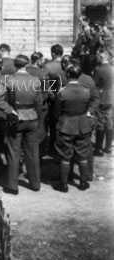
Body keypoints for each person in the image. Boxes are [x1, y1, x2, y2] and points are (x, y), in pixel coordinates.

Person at [4, 54, 42, 194]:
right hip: (32, 117)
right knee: (32, 152)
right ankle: (35, 183)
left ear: (15, 65)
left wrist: (9, 111)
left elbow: (1, 99)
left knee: (13, 152)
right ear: (27, 65)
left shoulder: (10, 79)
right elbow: (39, 102)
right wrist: (37, 116)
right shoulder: (35, 80)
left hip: (16, 117)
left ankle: (12, 185)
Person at [54, 63, 94, 192]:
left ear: (67, 74)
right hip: (83, 125)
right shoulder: (86, 90)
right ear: (79, 75)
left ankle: (63, 185)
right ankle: (83, 182)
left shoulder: (62, 92)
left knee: (65, 155)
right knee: (82, 155)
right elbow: (87, 107)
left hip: (66, 125)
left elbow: (57, 112)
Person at [93, 49, 114, 156]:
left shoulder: (98, 70)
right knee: (109, 122)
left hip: (101, 98)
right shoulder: (112, 68)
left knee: (100, 123)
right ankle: (108, 147)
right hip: (110, 97)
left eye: (98, 56)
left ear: (100, 57)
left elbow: (94, 84)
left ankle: (98, 148)